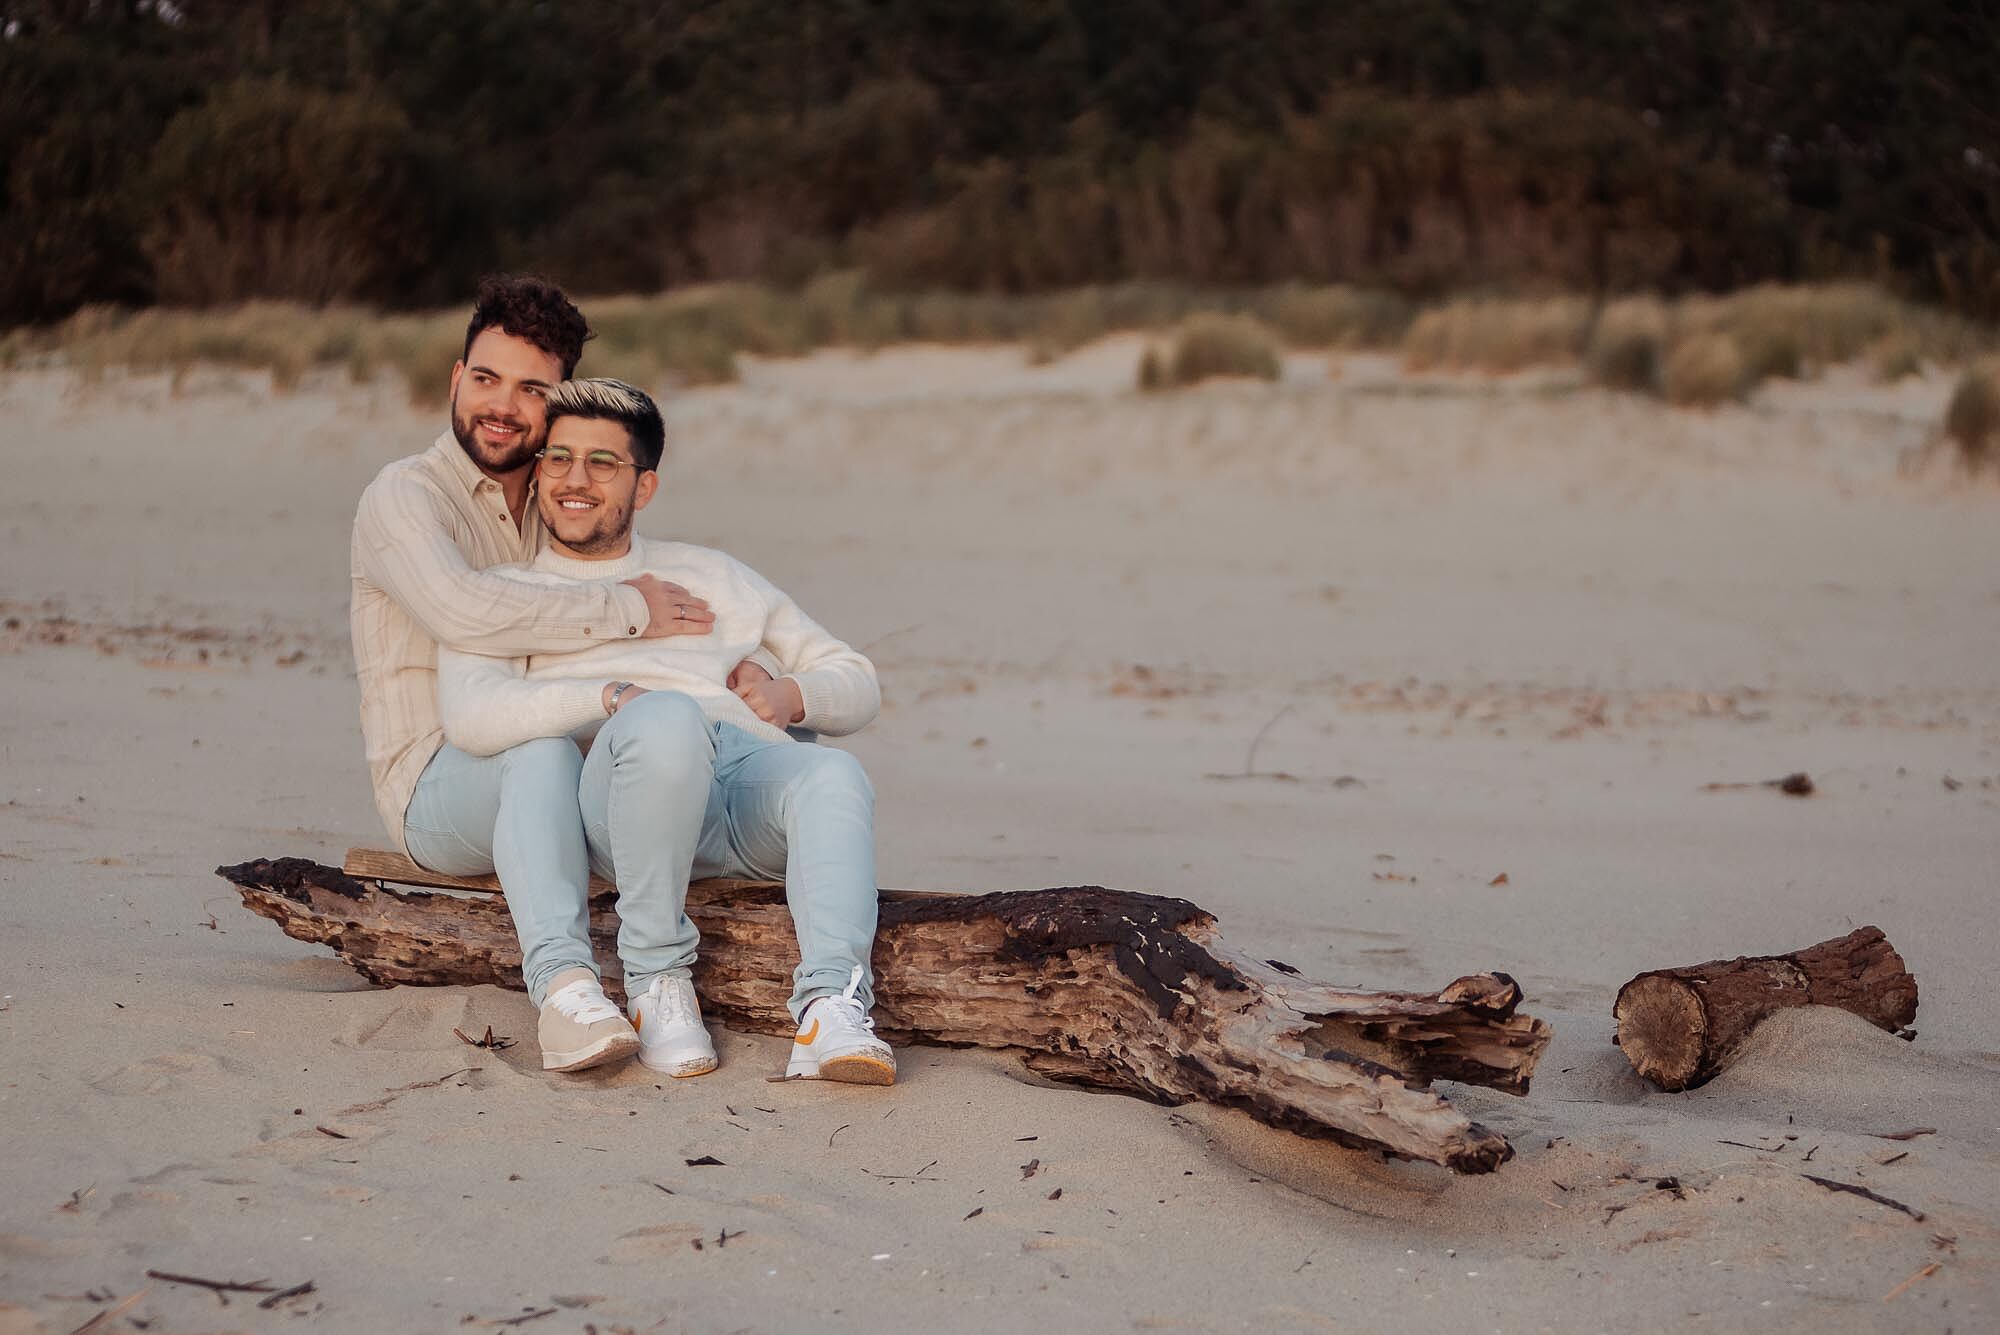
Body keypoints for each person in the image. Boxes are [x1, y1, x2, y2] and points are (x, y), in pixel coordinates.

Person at [350, 275, 772, 1072]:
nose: (500, 404)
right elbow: (462, 608)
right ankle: (566, 991)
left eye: (529, 388)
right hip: (436, 781)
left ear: (558, 401)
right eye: (484, 379)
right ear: (455, 379)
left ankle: (666, 972)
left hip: (570, 776)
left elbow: (651, 581)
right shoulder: (405, 498)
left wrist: (740, 664)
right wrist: (623, 611)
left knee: (658, 750)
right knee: (537, 749)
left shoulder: (557, 497)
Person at [436, 378, 895, 1086]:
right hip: (617, 799)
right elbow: (471, 712)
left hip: (736, 786)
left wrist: (790, 693)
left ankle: (830, 1008)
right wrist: (610, 695)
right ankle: (655, 980)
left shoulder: (714, 574)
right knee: (667, 719)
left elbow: (856, 677)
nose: (574, 479)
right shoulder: (506, 590)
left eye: (602, 462)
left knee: (835, 775)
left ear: (643, 487)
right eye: (557, 458)